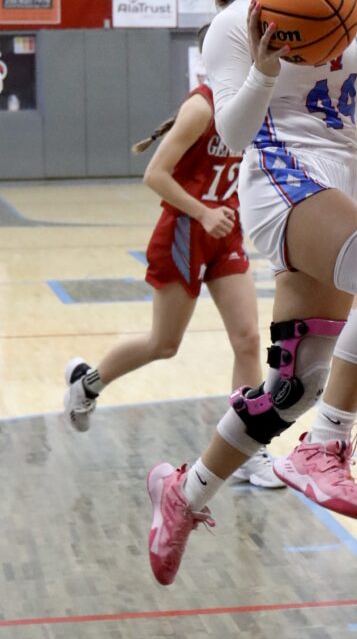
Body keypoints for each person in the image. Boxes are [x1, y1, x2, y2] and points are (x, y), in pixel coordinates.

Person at [146, 0, 357, 586]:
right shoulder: (235, 24)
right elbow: (231, 137)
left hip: (332, 182)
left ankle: (184, 493)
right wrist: (266, 73)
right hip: (279, 180)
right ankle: (325, 448)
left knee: (295, 385)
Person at [63, 76, 284, 489]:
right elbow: (155, 175)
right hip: (185, 230)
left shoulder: (255, 101)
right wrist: (203, 213)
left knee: (249, 340)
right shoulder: (202, 107)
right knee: (164, 344)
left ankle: (247, 451)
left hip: (224, 233)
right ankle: (88, 383)